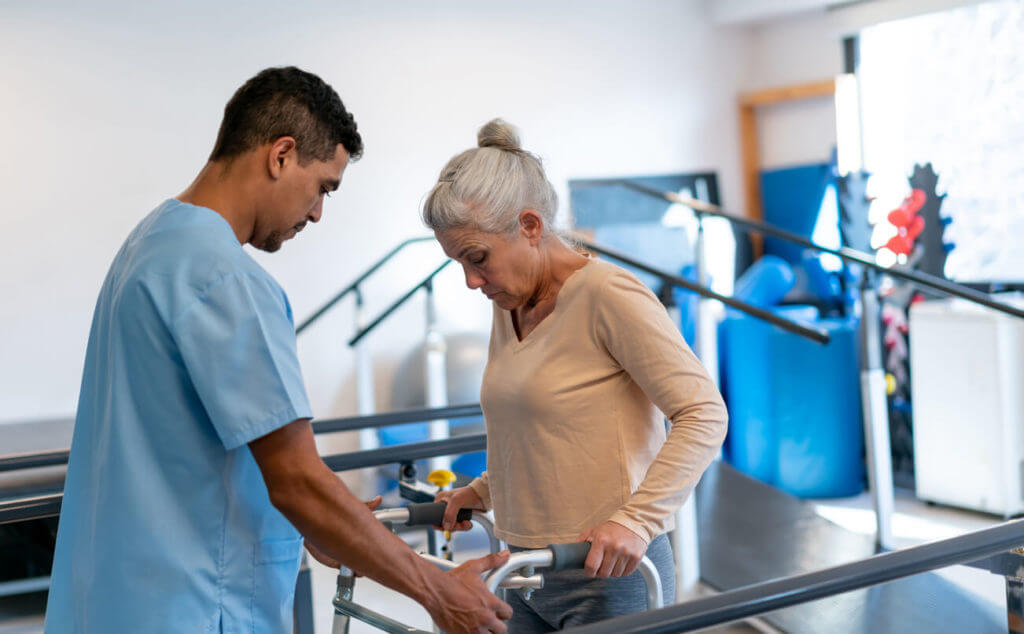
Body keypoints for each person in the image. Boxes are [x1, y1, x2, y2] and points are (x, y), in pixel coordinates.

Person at [45, 67, 512, 634]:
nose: (316, 213)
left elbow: (186, 444)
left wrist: (323, 526)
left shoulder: (149, 245)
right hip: (193, 606)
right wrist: (437, 589)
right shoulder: (225, 277)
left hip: (114, 601)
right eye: (323, 187)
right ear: (281, 155)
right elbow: (294, 478)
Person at [424, 119, 728, 630]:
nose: (472, 281)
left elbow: (703, 413)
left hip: (609, 572)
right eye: (458, 263)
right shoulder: (510, 302)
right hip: (520, 566)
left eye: (477, 259)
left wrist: (637, 520)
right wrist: (481, 491)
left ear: (530, 225)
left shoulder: (608, 294)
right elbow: (541, 428)